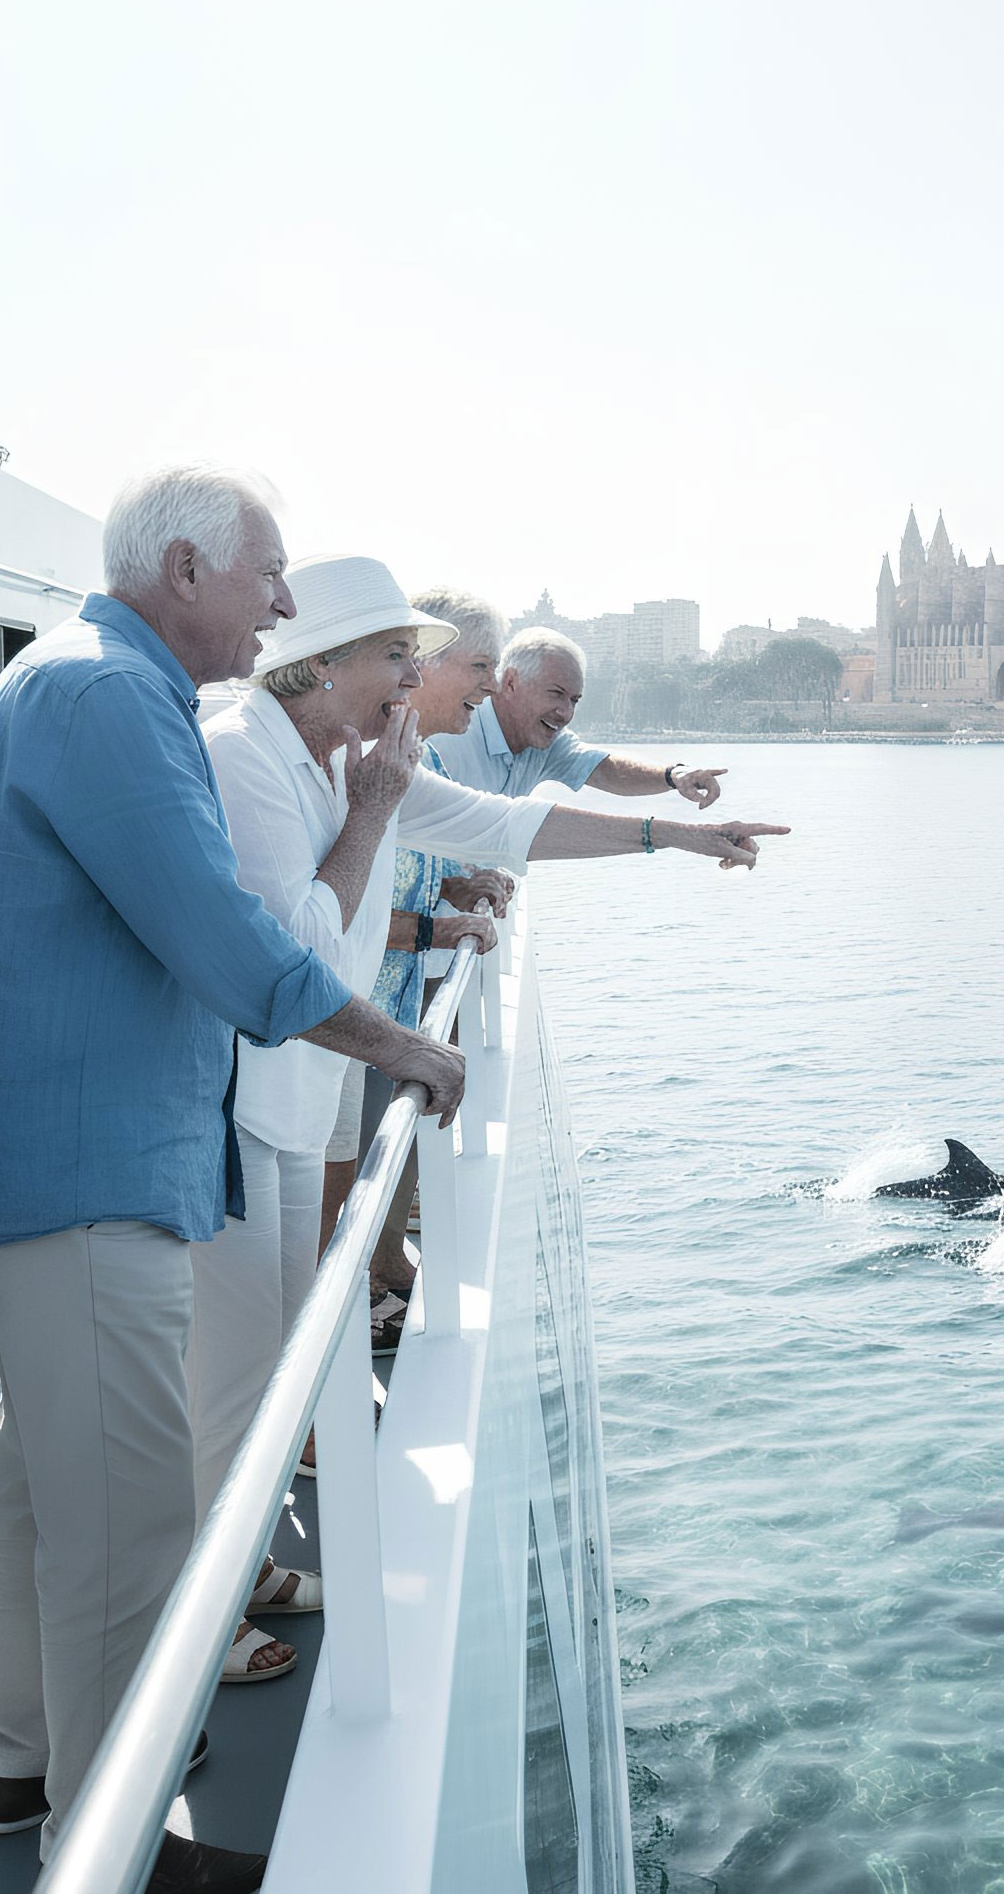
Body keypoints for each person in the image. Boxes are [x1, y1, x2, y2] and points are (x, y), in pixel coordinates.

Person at [0, 467, 468, 1894]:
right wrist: (407, 1043)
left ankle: (21, 1767)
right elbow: (236, 948)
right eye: (266, 575)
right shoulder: (111, 700)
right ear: (181, 571)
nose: (283, 605)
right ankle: (112, 1845)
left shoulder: (75, 684)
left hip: (40, 1166)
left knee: (43, 1499)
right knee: (130, 1538)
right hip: (85, 1182)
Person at [193, 555, 786, 1666]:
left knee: (268, 1357)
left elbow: (504, 825)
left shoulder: (342, 751)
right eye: (396, 657)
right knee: (226, 1383)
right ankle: (204, 1612)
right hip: (236, 1113)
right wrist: (373, 810)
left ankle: (248, 1566)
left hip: (288, 1102)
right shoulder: (257, 761)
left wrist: (677, 837)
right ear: (324, 665)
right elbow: (301, 958)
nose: (413, 678)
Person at [317, 587, 512, 1353]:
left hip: (380, 1009)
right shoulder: (360, 760)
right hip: (336, 1018)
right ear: (423, 666)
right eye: (481, 665)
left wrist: (455, 886)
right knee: (331, 1192)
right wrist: (439, 923)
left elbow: (467, 841)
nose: (490, 686)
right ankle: (344, 1326)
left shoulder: (412, 757)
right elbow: (335, 910)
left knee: (362, 1163)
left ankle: (375, 1273)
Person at [425, 623, 729, 808]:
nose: (566, 713)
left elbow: (606, 769)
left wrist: (673, 776)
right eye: (556, 694)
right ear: (511, 682)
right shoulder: (448, 735)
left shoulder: (545, 740)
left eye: (574, 700)